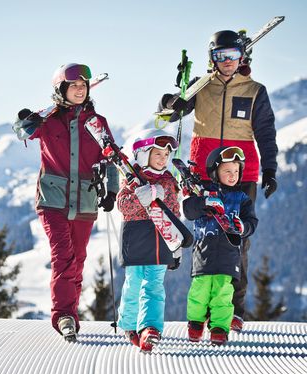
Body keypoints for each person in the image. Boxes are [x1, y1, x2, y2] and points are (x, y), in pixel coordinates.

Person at [159, 29, 278, 332]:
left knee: (238, 240)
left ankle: (232, 312)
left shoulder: (255, 90)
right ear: (212, 58)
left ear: (242, 58)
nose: (227, 62)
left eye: (233, 56)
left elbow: (265, 132)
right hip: (203, 173)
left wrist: (271, 169)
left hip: (241, 172)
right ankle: (203, 309)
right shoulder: (201, 86)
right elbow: (168, 116)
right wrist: (173, 98)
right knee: (205, 239)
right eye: (220, 56)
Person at [12, 63, 119, 341]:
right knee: (63, 256)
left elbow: (110, 158)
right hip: (53, 199)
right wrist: (25, 120)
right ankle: (63, 316)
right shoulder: (48, 121)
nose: (80, 89)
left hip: (85, 200)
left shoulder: (97, 123)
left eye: (83, 85)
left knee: (78, 260)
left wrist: (111, 191)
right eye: (74, 85)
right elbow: (22, 131)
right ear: (62, 89)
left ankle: (70, 313)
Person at [183, 146, 258, 345]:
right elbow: (188, 210)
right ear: (216, 172)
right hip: (203, 253)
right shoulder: (204, 192)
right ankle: (196, 323)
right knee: (200, 290)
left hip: (229, 254)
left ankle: (219, 327)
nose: (233, 175)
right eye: (227, 171)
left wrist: (243, 227)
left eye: (236, 171)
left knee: (223, 292)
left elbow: (252, 222)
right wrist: (204, 202)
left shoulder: (242, 199)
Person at [116, 132, 181, 353]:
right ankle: (129, 325)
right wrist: (143, 196)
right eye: (157, 154)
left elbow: (174, 211)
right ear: (143, 155)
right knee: (134, 283)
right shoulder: (131, 178)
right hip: (135, 239)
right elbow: (124, 206)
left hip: (161, 240)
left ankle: (150, 328)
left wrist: (176, 245)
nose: (163, 159)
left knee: (154, 285)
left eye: (166, 154)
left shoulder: (169, 180)